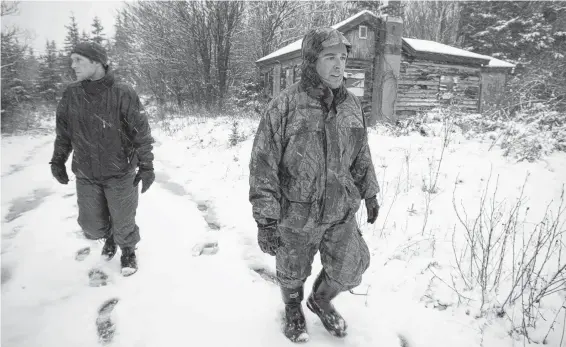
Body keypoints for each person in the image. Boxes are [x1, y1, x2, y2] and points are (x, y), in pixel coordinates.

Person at [249, 28, 380, 343]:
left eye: (343, 58)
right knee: (292, 270)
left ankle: (320, 299)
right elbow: (263, 165)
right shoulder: (284, 106)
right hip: (297, 212)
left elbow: (360, 152)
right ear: (311, 61)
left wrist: (370, 190)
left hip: (340, 208)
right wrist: (266, 220)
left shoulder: (350, 105)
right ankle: (293, 307)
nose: (339, 65)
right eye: (330, 57)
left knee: (352, 265)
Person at [49, 41, 155, 277]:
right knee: (91, 226)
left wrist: (147, 165)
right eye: (72, 59)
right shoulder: (72, 94)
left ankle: (127, 248)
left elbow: (141, 131)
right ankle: (108, 236)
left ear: (97, 62)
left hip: (120, 170)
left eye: (78, 60)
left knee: (124, 219)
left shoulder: (122, 91)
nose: (72, 65)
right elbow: (63, 132)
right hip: (86, 173)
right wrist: (58, 160)